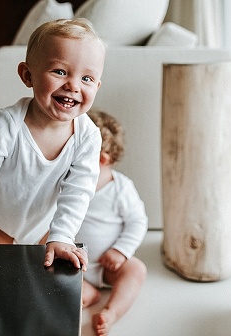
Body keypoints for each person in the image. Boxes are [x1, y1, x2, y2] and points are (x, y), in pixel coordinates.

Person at [0, 18, 106, 271]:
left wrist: (61, 236)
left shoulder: (88, 136)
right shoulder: (7, 125)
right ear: (28, 75)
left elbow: (78, 192)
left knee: (44, 277)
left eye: (87, 78)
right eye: (60, 72)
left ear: (97, 86)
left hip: (45, 227)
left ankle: (85, 291)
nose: (73, 85)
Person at [77, 109, 148, 336]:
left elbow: (137, 222)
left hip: (108, 265)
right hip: (71, 263)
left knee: (136, 269)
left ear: (101, 159)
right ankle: (84, 292)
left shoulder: (121, 188)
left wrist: (121, 250)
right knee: (40, 270)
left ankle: (111, 312)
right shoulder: (68, 182)